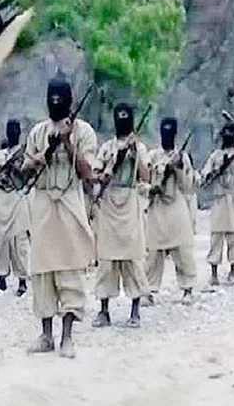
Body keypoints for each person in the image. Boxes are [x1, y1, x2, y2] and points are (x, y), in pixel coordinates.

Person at [21, 73, 96, 359]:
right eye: (51, 97)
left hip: (69, 205)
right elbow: (24, 170)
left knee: (69, 271)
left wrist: (67, 143)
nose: (55, 102)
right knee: (42, 272)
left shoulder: (84, 132)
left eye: (60, 98)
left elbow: (87, 173)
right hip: (42, 206)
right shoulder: (38, 132)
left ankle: (67, 337)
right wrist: (38, 157)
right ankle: (46, 335)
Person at [89, 103, 150, 328]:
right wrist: (104, 174)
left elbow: (146, 176)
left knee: (132, 258)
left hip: (130, 202)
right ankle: (103, 310)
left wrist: (134, 154)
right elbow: (95, 174)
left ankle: (135, 311)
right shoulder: (107, 147)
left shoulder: (140, 147)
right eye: (119, 116)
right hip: (109, 202)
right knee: (106, 260)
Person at [144, 118, 197, 306]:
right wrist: (152, 187)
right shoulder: (152, 156)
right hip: (157, 207)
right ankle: (148, 291)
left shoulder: (182, 157)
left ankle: (188, 288)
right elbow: (143, 180)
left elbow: (187, 186)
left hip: (176, 207)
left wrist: (178, 168)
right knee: (152, 253)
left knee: (183, 250)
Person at [0, 120, 30, 296]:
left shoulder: (25, 155)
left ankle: (22, 280)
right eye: (10, 130)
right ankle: (1, 278)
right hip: (1, 201)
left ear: (19, 132)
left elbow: (27, 176)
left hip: (17, 200)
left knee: (19, 241)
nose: (12, 132)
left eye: (15, 130)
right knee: (1, 241)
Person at [200, 122, 234, 286]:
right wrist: (216, 170)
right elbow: (205, 175)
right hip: (218, 199)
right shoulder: (215, 155)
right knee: (216, 237)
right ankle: (214, 272)